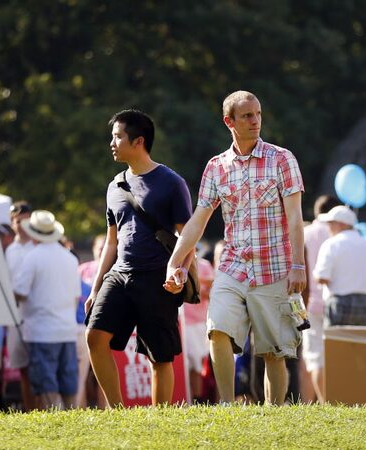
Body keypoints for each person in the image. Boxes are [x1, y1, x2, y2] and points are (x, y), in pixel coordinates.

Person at [164, 90, 306, 406]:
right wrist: (175, 262)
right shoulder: (216, 166)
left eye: (257, 114)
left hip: (274, 267)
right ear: (229, 121)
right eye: (247, 116)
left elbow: (295, 219)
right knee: (217, 331)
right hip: (232, 266)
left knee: (272, 352)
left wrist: (298, 265)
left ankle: (275, 415)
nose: (255, 121)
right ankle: (227, 408)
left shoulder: (282, 159)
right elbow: (198, 220)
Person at [85, 109, 193, 407]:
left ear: (138, 141)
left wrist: (180, 273)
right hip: (119, 274)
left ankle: (159, 420)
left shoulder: (172, 182)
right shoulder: (114, 186)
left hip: (157, 276)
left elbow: (188, 237)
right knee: (95, 337)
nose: (112, 142)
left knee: (159, 357)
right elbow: (111, 241)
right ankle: (117, 412)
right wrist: (96, 288)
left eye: (118, 136)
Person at [13, 210, 80, 410]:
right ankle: (71, 417)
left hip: (41, 330)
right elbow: (76, 295)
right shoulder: (70, 258)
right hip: (66, 329)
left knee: (45, 381)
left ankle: (55, 419)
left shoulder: (32, 257)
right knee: (68, 380)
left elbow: (20, 291)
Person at [302, 194, 341, 403]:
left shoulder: (304, 233)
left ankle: (313, 403)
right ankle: (333, 401)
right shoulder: (338, 233)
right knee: (335, 357)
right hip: (336, 302)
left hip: (309, 302)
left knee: (313, 358)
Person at [313, 205, 366, 327]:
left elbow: (322, 277)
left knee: (337, 345)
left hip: (339, 303)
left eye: (331, 223)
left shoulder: (331, 244)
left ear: (341, 224)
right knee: (364, 345)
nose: (328, 227)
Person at [4, 200, 36, 411]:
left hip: (35, 313)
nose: (20, 225)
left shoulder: (38, 246)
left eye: (24, 221)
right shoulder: (10, 251)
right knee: (22, 367)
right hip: (16, 315)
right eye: (16, 221)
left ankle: (43, 408)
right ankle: (29, 408)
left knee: (38, 367)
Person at [75, 234, 106, 408]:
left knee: (102, 369)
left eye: (104, 247)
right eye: (98, 248)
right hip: (84, 323)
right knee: (84, 374)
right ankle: (84, 407)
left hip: (106, 324)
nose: (101, 251)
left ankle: (104, 407)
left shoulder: (115, 266)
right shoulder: (83, 269)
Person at [183, 257, 215, 403]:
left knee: (197, 365)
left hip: (198, 322)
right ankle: (188, 399)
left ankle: (197, 400)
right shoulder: (173, 261)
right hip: (181, 322)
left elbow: (212, 293)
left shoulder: (204, 265)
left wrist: (197, 284)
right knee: (186, 366)